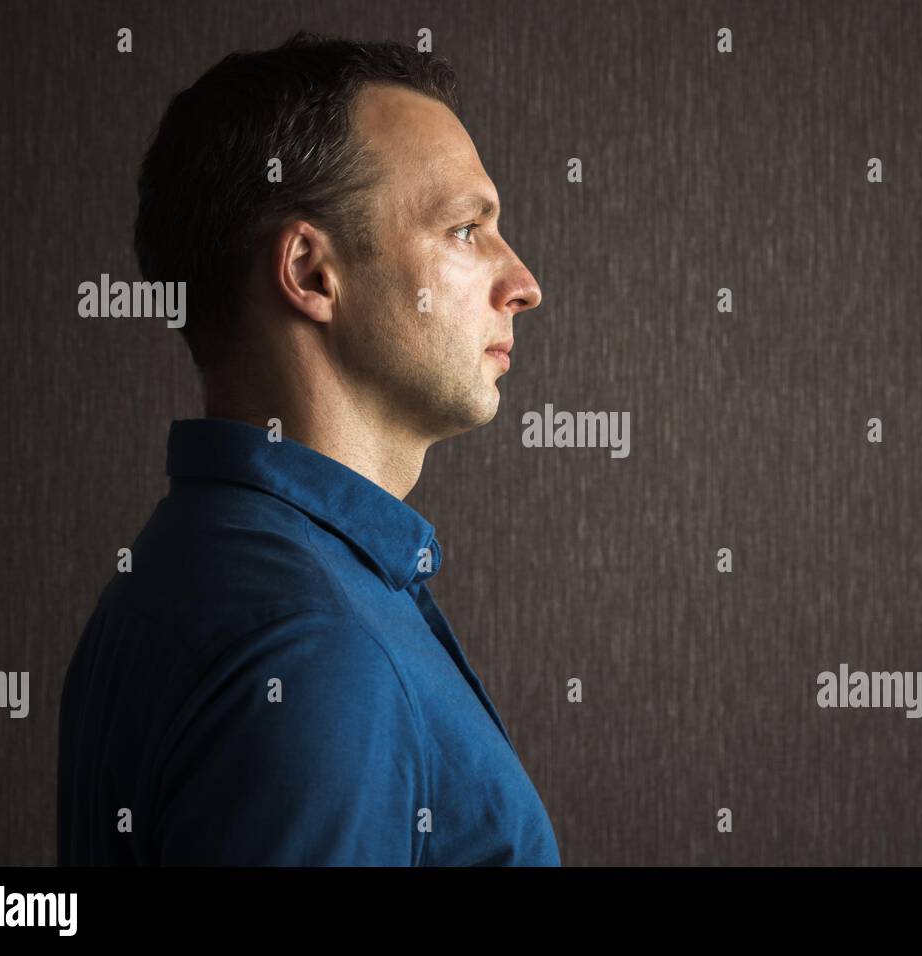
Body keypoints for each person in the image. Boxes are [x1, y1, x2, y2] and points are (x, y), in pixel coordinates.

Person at [57, 32, 557, 866]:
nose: (524, 283)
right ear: (312, 273)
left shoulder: (176, 571)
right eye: (468, 230)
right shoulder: (320, 649)